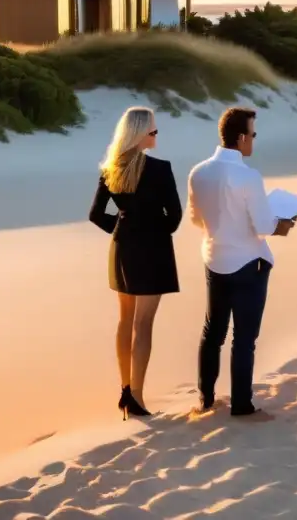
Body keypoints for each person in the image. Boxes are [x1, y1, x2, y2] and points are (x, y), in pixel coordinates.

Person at [187, 107, 294, 419]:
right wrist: (282, 225)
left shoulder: (198, 171)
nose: (254, 140)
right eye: (254, 134)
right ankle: (242, 405)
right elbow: (263, 225)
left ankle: (205, 399)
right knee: (244, 338)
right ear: (241, 137)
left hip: (214, 257)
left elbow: (195, 220)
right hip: (248, 262)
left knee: (212, 332)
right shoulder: (248, 176)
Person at [89, 106, 182, 419]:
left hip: (122, 248)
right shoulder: (159, 169)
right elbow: (175, 217)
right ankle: (138, 399)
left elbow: (96, 214)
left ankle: (126, 390)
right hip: (151, 250)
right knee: (143, 325)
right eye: (153, 131)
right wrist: (153, 231)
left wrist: (123, 227)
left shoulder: (110, 168)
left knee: (125, 321)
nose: (156, 135)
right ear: (140, 134)